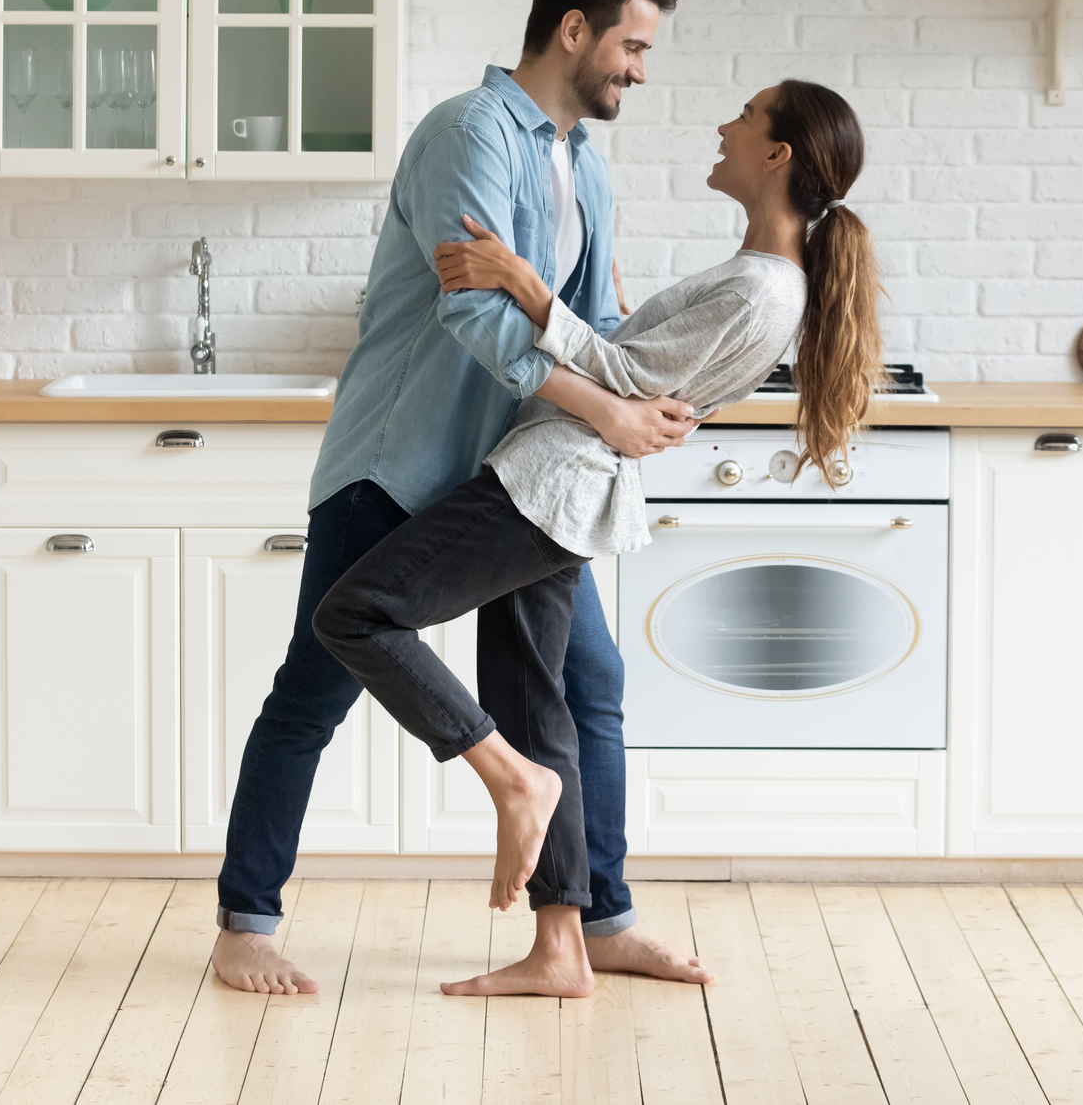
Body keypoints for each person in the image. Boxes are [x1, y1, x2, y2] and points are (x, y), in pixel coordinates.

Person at [210, 0, 715, 995]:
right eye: (632, 44)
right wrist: (607, 408)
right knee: (315, 690)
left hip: (513, 477)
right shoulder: (469, 134)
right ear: (572, 31)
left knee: (592, 683)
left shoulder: (586, 162)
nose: (640, 69)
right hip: (399, 462)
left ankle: (600, 919)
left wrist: (638, 389)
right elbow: (475, 311)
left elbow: (596, 323)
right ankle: (244, 921)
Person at [313, 79, 880, 997]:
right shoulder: (759, 276)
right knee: (541, 702)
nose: (723, 122)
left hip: (547, 484)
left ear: (777, 156)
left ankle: (506, 780)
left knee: (358, 615)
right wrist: (595, 309)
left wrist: (528, 286)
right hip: (560, 483)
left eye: (745, 115)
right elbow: (634, 368)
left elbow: (618, 379)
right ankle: (561, 946)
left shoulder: (762, 285)